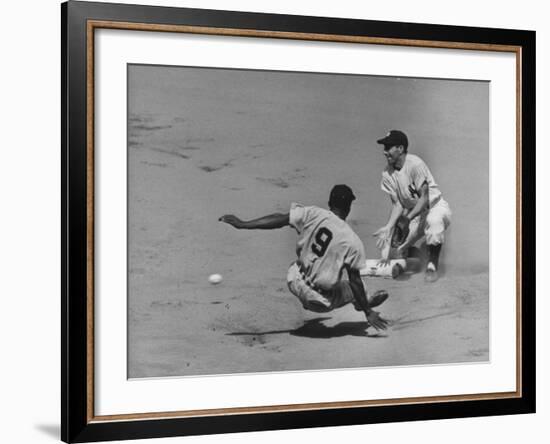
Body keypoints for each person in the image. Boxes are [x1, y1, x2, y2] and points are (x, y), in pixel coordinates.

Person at [219, 185, 389, 331]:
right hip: (319, 301)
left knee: (304, 263)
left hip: (293, 280)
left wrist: (244, 224)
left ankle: (358, 302)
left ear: (330, 203)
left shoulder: (312, 213)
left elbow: (279, 219)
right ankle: (363, 303)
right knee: (356, 286)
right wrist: (368, 313)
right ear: (349, 208)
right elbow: (355, 281)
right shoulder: (353, 241)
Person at [373, 130, 452, 283]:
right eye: (384, 147)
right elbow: (397, 204)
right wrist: (389, 226)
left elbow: (424, 198)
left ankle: (432, 266)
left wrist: (407, 219)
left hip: (436, 207)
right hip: (416, 216)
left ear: (400, 149)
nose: (384, 152)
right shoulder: (387, 174)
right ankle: (421, 259)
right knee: (397, 252)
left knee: (434, 221)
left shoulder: (415, 164)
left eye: (388, 147)